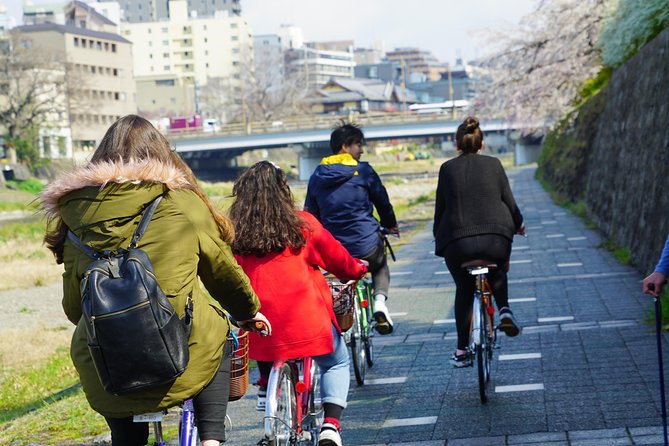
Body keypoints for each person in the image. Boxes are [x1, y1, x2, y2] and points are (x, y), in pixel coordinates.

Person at [39, 115, 270, 446]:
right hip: (186, 357)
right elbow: (222, 272)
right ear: (162, 155)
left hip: (112, 369)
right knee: (215, 329)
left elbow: (76, 309)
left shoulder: (75, 214)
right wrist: (248, 310)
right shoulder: (182, 203)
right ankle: (210, 440)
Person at [228, 161, 368, 446]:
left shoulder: (235, 233)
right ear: (283, 191)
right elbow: (338, 260)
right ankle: (331, 425)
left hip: (260, 325)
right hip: (304, 320)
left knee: (268, 346)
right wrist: (358, 270)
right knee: (336, 362)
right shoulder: (302, 224)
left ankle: (267, 384)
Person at [433, 116, 525, 368]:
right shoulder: (494, 165)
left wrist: (438, 238)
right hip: (495, 238)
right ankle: (504, 309)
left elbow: (440, 209)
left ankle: (462, 351)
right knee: (496, 268)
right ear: (482, 144)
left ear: (456, 144)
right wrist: (518, 224)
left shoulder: (447, 168)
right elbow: (509, 201)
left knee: (464, 289)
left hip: (457, 244)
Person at [304, 122, 399, 335]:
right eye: (358, 144)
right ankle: (380, 304)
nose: (362, 150)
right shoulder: (364, 171)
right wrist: (390, 224)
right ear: (345, 146)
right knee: (380, 265)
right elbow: (382, 202)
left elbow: (310, 214)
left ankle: (339, 319)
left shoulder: (317, 176)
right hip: (366, 245)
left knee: (336, 278)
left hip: (334, 250)